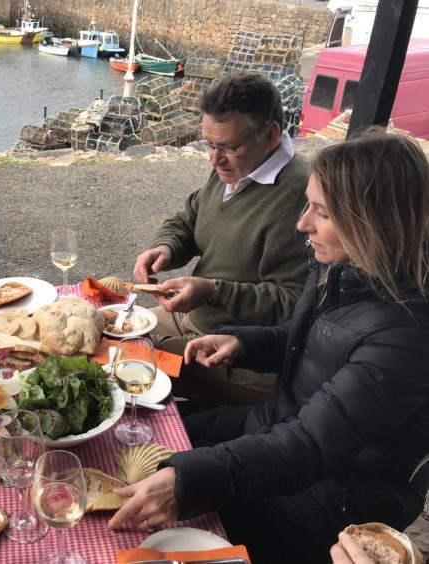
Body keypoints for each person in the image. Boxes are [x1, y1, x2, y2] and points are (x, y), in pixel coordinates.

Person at [109, 129, 429, 564]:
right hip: (282, 422)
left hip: (339, 491)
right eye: (308, 205)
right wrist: (243, 342)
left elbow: (311, 446)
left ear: (373, 223)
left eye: (322, 212)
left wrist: (188, 484)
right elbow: (315, 344)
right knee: (146, 438)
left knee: (164, 524)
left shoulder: (405, 334)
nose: (303, 224)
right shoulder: (343, 267)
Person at [132, 71, 309, 408]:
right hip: (193, 317)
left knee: (119, 362)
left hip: (235, 355)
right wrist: (166, 246)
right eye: (210, 145)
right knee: (109, 335)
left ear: (271, 134)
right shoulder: (238, 167)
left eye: (229, 147)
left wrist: (214, 291)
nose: (215, 160)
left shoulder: (300, 196)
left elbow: (294, 300)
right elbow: (191, 216)